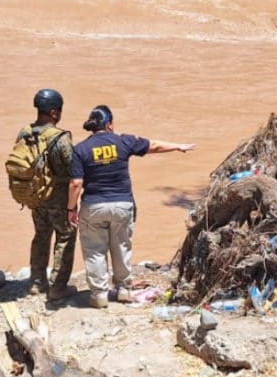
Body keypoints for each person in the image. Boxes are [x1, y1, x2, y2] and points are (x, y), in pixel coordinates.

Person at [68, 105, 194, 308]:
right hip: (122, 205)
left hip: (93, 205)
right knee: (121, 247)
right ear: (109, 125)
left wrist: (71, 209)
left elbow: (76, 183)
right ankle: (124, 290)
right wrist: (178, 145)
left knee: (95, 251)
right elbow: (154, 146)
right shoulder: (123, 141)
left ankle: (99, 295)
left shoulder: (80, 149)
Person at [19, 89, 77, 301]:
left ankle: (36, 283)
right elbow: (73, 169)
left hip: (35, 196)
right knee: (66, 235)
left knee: (41, 236)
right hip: (59, 197)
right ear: (54, 112)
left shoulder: (25, 133)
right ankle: (57, 286)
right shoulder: (60, 139)